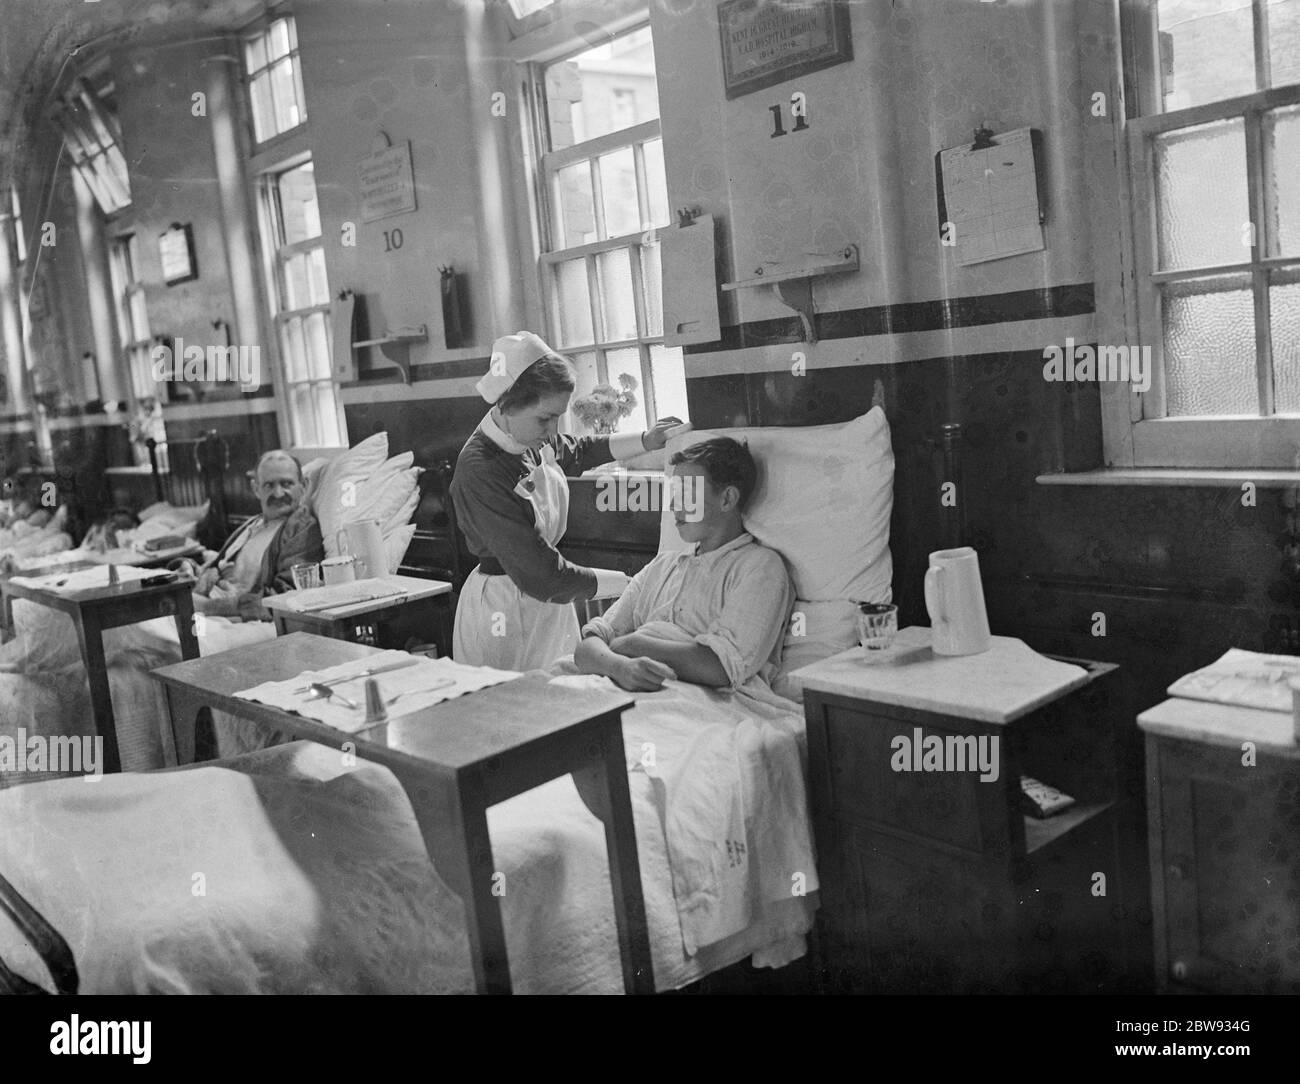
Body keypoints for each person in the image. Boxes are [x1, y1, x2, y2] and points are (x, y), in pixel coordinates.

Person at [451, 331, 682, 670]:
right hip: (503, 606)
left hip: (549, 602)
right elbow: (542, 575)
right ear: (507, 403)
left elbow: (578, 450)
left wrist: (647, 440)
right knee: (511, 710)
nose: (552, 429)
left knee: (564, 700)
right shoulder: (481, 470)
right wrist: (630, 584)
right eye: (545, 418)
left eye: (557, 417)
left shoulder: (529, 437)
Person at [574, 437, 794, 693]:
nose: (673, 505)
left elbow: (720, 668)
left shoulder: (759, 568)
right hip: (622, 681)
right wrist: (620, 668)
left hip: (701, 699)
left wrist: (633, 644)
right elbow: (588, 646)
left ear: (727, 499)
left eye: (686, 493)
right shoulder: (662, 567)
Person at [187, 450, 324, 621]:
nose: (278, 493)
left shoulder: (303, 529)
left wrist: (209, 607)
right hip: (209, 609)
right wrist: (195, 572)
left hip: (245, 619)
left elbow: (288, 596)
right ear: (256, 489)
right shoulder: (252, 524)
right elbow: (216, 566)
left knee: (172, 635)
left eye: (287, 484)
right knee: (149, 622)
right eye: (269, 485)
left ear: (303, 486)